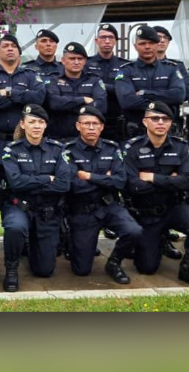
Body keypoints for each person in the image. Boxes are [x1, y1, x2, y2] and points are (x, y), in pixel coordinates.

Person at [124, 101, 189, 288]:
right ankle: (157, 241)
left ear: (171, 122)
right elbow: (133, 186)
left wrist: (152, 178)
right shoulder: (131, 148)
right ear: (145, 122)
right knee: (146, 268)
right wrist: (170, 180)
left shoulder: (181, 147)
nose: (160, 122)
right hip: (147, 212)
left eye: (165, 119)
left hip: (175, 206)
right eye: (155, 118)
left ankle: (188, 268)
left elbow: (187, 181)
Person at [65, 105, 142, 282]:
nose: (91, 128)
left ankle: (114, 262)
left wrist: (89, 176)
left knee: (134, 231)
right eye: (87, 124)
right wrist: (105, 179)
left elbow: (120, 182)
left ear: (102, 127)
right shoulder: (67, 151)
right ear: (78, 126)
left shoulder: (112, 148)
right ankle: (70, 240)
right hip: (82, 210)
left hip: (109, 206)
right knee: (81, 270)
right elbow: (73, 186)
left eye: (95, 124)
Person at [0, 105, 72, 291]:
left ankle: (32, 246)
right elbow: (15, 183)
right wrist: (47, 178)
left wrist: (30, 182)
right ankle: (12, 269)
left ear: (45, 125)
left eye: (40, 122)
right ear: (23, 124)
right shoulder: (11, 150)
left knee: (45, 270)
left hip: (46, 210)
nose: (36, 126)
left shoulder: (58, 150)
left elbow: (64, 184)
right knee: (15, 227)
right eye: (32, 122)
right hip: (19, 207)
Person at [115, 25, 187, 137]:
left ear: (157, 45)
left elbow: (179, 95)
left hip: (166, 133)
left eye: (151, 43)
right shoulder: (126, 70)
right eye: (142, 43)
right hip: (135, 132)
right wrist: (163, 101)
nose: (147, 47)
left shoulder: (171, 68)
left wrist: (144, 93)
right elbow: (127, 101)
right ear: (135, 46)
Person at [0, 34, 47, 151]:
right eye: (5, 46)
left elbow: (39, 98)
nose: (10, 48)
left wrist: (10, 93)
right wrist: (23, 98)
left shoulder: (30, 75)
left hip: (25, 142)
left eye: (13, 46)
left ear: (19, 52)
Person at [45, 42, 107, 141]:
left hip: (86, 140)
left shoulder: (94, 80)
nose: (76, 62)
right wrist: (83, 100)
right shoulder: (53, 79)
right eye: (72, 58)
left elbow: (101, 106)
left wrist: (67, 106)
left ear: (85, 61)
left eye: (80, 59)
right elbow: (54, 103)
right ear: (63, 61)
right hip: (58, 139)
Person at [85, 23, 129, 143]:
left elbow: (125, 91)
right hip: (92, 120)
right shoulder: (86, 64)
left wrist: (99, 86)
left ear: (116, 41)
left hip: (118, 120)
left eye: (110, 38)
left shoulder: (125, 65)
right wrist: (114, 88)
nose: (107, 41)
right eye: (103, 37)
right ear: (96, 40)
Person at [154, 25, 189, 106]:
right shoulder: (138, 66)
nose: (162, 40)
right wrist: (169, 94)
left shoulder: (177, 66)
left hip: (171, 114)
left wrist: (151, 94)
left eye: (165, 38)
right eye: (159, 37)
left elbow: (186, 93)